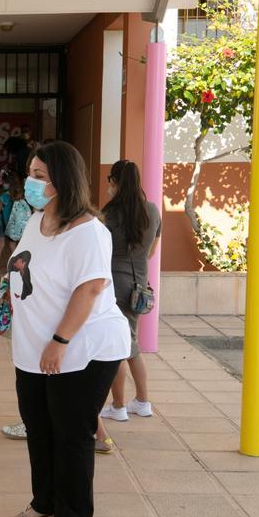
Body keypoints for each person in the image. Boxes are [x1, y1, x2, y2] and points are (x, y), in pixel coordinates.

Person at [5, 141, 130, 517]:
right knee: (39, 429)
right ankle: (44, 502)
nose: (32, 182)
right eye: (31, 173)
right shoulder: (35, 221)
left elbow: (91, 287)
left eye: (40, 176)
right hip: (33, 348)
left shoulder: (88, 232)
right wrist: (1, 290)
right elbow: (25, 265)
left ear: (64, 181)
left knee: (71, 433)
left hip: (83, 348)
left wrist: (60, 342)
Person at [98, 160, 162, 428]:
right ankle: (143, 402)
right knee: (131, 344)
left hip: (115, 283)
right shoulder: (152, 210)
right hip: (140, 285)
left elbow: (100, 251)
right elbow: (152, 250)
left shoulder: (111, 214)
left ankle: (119, 406)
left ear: (115, 181)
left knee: (117, 346)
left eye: (110, 181)